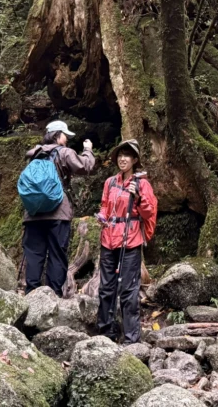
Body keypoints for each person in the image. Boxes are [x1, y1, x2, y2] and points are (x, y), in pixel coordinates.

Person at [21, 119, 96, 296]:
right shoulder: (64, 153)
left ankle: (31, 293)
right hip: (58, 213)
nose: (67, 138)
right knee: (57, 254)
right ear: (57, 135)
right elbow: (86, 166)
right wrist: (88, 150)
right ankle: (53, 295)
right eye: (65, 135)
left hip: (33, 213)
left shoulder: (35, 154)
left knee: (34, 254)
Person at [96, 139, 157, 344]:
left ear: (135, 160)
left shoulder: (142, 184)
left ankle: (131, 337)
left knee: (129, 289)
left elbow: (149, 212)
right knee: (106, 287)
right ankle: (106, 331)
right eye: (120, 155)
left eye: (127, 155)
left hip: (130, 240)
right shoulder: (110, 182)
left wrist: (138, 197)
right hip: (108, 239)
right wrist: (102, 216)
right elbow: (105, 205)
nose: (122, 159)